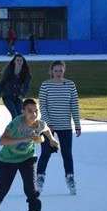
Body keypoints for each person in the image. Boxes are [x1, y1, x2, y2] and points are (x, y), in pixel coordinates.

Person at [36, 60, 81, 195]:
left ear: (64, 71)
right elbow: (42, 106)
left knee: (67, 154)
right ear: (51, 71)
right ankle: (39, 179)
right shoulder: (45, 85)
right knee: (45, 153)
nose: (58, 73)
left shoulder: (70, 85)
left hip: (65, 126)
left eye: (60, 70)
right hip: (48, 126)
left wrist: (77, 124)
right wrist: (48, 123)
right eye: (56, 71)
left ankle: (70, 178)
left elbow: (74, 105)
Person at [0, 54, 31, 119]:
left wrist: (22, 95)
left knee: (20, 115)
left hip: (18, 97)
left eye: (21, 60)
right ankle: (13, 129)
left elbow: (26, 86)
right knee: (14, 114)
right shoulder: (9, 71)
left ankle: (15, 128)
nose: (19, 62)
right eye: (17, 60)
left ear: (23, 62)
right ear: (14, 61)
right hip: (7, 97)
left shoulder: (25, 72)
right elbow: (2, 83)